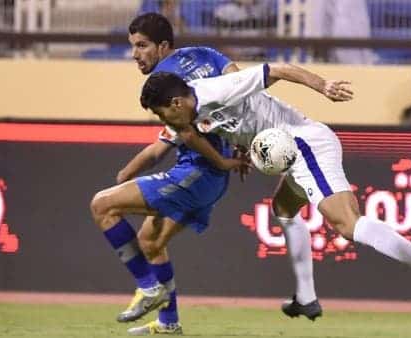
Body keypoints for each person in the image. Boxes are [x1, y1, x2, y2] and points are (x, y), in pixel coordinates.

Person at [139, 63, 411, 315]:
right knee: (284, 209)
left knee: (347, 224)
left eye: (160, 112)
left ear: (176, 102)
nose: (161, 119)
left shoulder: (216, 90)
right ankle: (306, 299)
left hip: (304, 144)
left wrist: (323, 86)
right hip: (290, 151)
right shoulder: (192, 113)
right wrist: (240, 148)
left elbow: (277, 70)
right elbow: (237, 122)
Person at [91, 13, 320, 337]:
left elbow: (183, 136)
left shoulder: (165, 83)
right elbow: (239, 89)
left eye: (142, 46)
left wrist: (223, 160)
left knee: (102, 206)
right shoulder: (205, 54)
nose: (135, 54)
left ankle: (148, 287)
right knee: (150, 240)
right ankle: (169, 322)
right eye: (133, 46)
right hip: (213, 178)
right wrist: (241, 145)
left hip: (197, 172)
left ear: (163, 46)